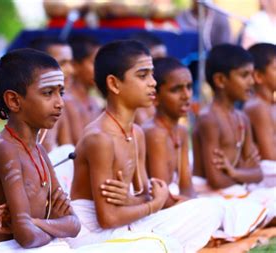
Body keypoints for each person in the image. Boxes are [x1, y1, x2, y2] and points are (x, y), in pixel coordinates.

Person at [68, 40, 222, 252]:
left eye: (152, 74)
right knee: (155, 245)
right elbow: (108, 218)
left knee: (210, 209)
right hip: (91, 233)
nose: (153, 83)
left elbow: (143, 193)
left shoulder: (136, 132)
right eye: (143, 76)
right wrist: (153, 204)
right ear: (114, 84)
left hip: (126, 224)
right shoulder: (100, 138)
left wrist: (139, 199)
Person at [0, 48, 80, 251]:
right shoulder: (5, 150)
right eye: (48, 93)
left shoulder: (39, 152)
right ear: (14, 101)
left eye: (60, 92)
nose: (60, 103)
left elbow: (75, 225)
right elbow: (26, 238)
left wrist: (34, 222)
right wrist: (50, 224)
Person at [192, 44, 274, 227]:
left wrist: (235, 171)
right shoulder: (209, 119)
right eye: (244, 75)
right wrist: (245, 171)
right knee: (240, 210)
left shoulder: (241, 117)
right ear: (221, 80)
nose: (251, 82)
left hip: (236, 190)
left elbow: (258, 173)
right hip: (211, 194)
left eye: (252, 75)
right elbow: (216, 180)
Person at [142, 57, 196, 208]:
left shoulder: (182, 132)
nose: (186, 95)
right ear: (156, 97)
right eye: (176, 89)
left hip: (176, 203)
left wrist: (194, 203)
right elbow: (162, 197)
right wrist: (194, 205)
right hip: (159, 209)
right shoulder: (155, 133)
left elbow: (186, 185)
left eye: (189, 87)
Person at [30, 37, 73, 152]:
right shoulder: (27, 106)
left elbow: (67, 151)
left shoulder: (59, 105)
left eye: (70, 63)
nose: (70, 70)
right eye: (62, 63)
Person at [244, 43, 276, 185]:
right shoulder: (257, 106)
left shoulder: (270, 105)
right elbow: (269, 156)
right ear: (258, 76)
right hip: (266, 175)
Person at [66, 35, 102, 145]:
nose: (100, 68)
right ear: (75, 65)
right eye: (94, 63)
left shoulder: (94, 102)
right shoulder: (67, 102)